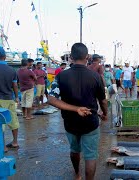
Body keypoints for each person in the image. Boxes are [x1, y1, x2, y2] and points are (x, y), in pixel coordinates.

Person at [48, 43, 107, 180]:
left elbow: (51, 99)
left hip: (70, 123)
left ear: (71, 58)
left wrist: (75, 109)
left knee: (74, 150)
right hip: (90, 122)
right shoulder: (95, 76)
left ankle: (77, 174)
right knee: (91, 156)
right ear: (87, 57)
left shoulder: (61, 76)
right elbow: (103, 100)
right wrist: (105, 113)